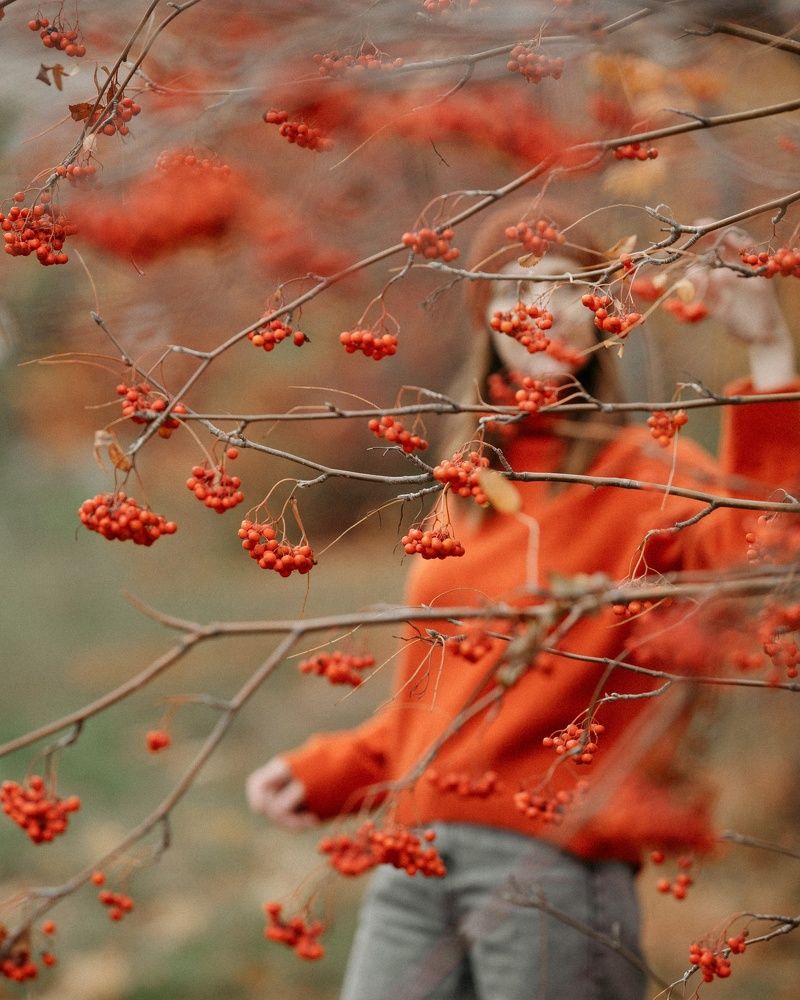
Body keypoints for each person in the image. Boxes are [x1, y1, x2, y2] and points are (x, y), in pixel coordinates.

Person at [246, 200, 800, 1000]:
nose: (538, 311)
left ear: (601, 315)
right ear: (486, 316)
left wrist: (771, 347)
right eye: (511, 290)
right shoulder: (467, 490)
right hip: (417, 851)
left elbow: (768, 547)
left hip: (553, 862)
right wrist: (332, 770)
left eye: (565, 287)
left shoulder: (641, 475)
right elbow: (442, 693)